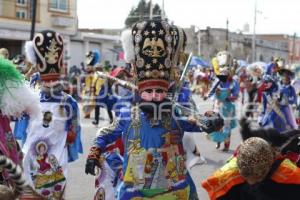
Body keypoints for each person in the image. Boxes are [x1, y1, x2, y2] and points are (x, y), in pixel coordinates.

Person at [85, 19, 223, 200]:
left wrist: (212, 120)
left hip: (173, 190)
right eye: (148, 91)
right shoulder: (128, 116)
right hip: (135, 191)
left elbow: (196, 123)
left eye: (159, 91)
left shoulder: (173, 118)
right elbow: (105, 133)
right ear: (140, 92)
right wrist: (94, 152)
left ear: (167, 92)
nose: (155, 96)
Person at [21, 30, 83, 199]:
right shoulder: (31, 96)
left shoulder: (67, 101)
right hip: (31, 154)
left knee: (55, 190)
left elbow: (74, 124)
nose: (50, 83)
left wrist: (72, 132)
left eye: (53, 79)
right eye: (46, 80)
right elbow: (20, 119)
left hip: (57, 156)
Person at [202, 136, 300, 200]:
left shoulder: (290, 173)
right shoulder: (228, 174)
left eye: (257, 176)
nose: (251, 182)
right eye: (245, 177)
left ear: (269, 166)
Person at [205, 51, 239, 151]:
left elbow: (236, 95)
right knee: (216, 124)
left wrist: (229, 97)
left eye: (226, 72)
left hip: (228, 106)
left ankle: (227, 145)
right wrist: (215, 96)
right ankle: (218, 141)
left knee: (226, 126)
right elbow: (210, 94)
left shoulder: (234, 82)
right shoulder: (217, 81)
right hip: (217, 105)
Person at [82, 49, 102, 118]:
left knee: (91, 101)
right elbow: (84, 78)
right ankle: (87, 113)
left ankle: (89, 114)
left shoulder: (95, 72)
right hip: (86, 87)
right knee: (85, 101)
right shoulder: (87, 70)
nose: (87, 68)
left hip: (92, 87)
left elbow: (96, 79)